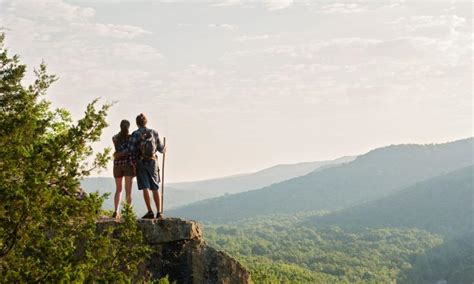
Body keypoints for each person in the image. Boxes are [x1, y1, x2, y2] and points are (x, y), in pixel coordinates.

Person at [127, 113, 166, 219]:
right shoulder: (153, 132)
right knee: (155, 187)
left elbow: (130, 150)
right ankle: (159, 212)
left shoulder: (135, 134)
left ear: (137, 123)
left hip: (141, 162)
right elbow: (161, 149)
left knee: (145, 187)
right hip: (152, 162)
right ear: (146, 122)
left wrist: (133, 164)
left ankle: (150, 211)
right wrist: (164, 148)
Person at [111, 119, 135, 219]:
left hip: (117, 164)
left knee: (118, 189)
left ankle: (116, 211)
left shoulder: (115, 138)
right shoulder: (130, 138)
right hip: (127, 164)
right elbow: (130, 151)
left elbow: (117, 152)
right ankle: (127, 212)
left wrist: (117, 154)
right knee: (128, 190)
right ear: (128, 127)